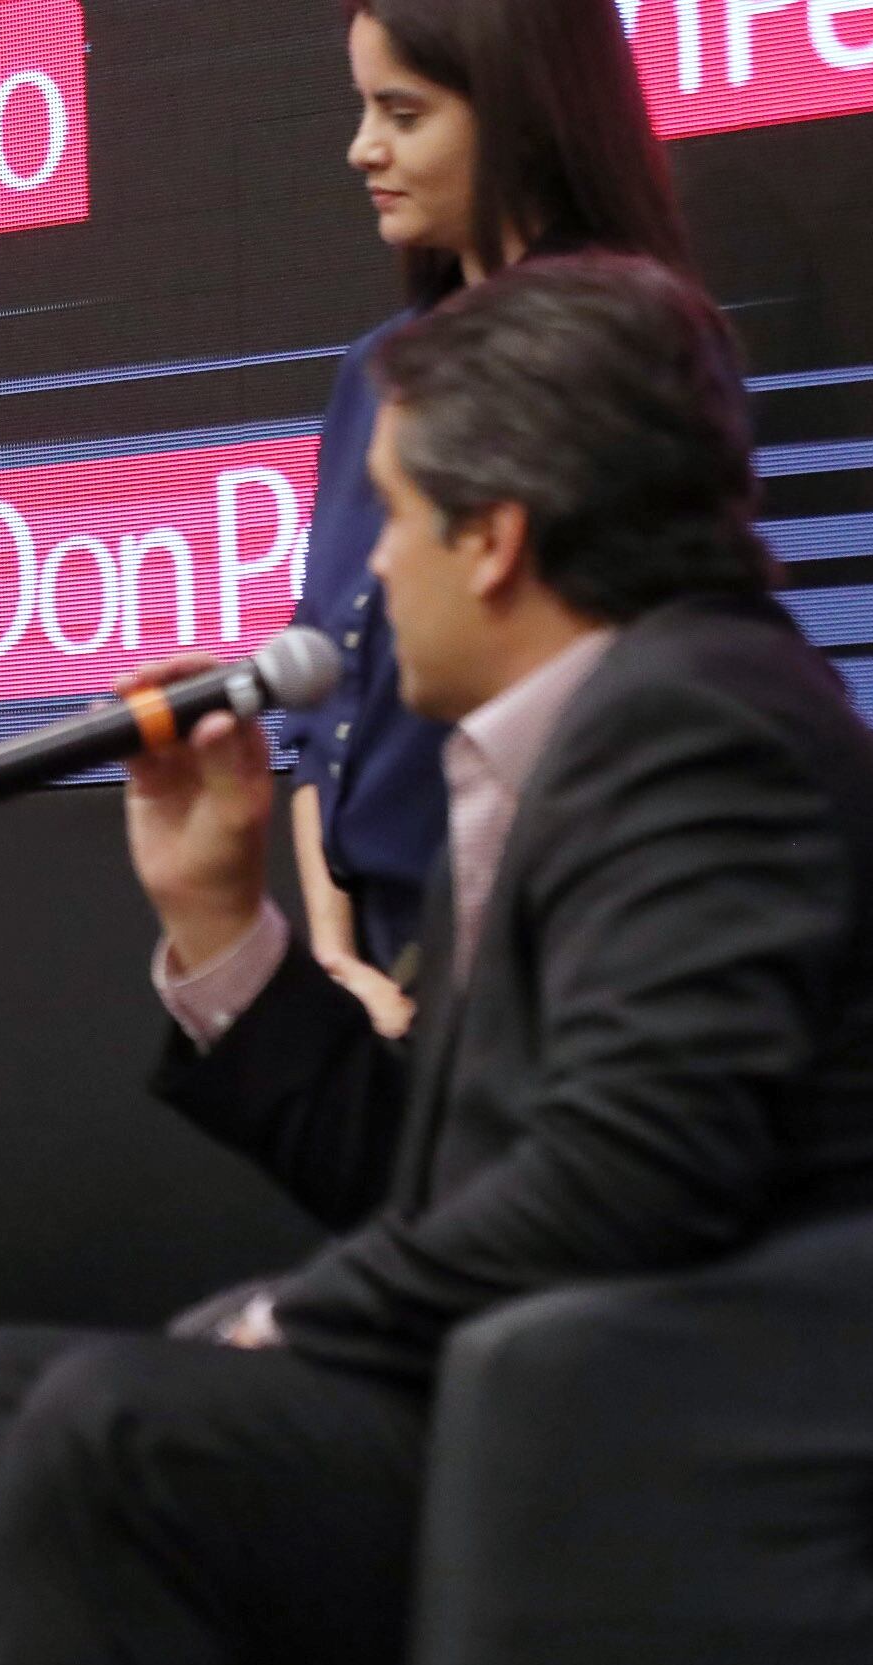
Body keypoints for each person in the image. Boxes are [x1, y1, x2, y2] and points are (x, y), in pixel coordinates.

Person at [0, 254, 873, 1665]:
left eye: (395, 520)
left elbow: (633, 1176)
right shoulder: (584, 735)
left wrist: (289, 1322)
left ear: (494, 540)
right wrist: (219, 920)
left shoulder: (705, 727)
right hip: (548, 1415)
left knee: (119, 1437)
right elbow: (449, 1178)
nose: (365, 584)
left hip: (716, 1469)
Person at [291, 0, 695, 1037]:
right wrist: (337, 958)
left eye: (403, 113)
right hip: (385, 975)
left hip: (550, 971)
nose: (362, 148)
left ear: (519, 113)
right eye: (363, 108)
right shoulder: (373, 373)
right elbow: (318, 696)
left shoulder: (624, 361)